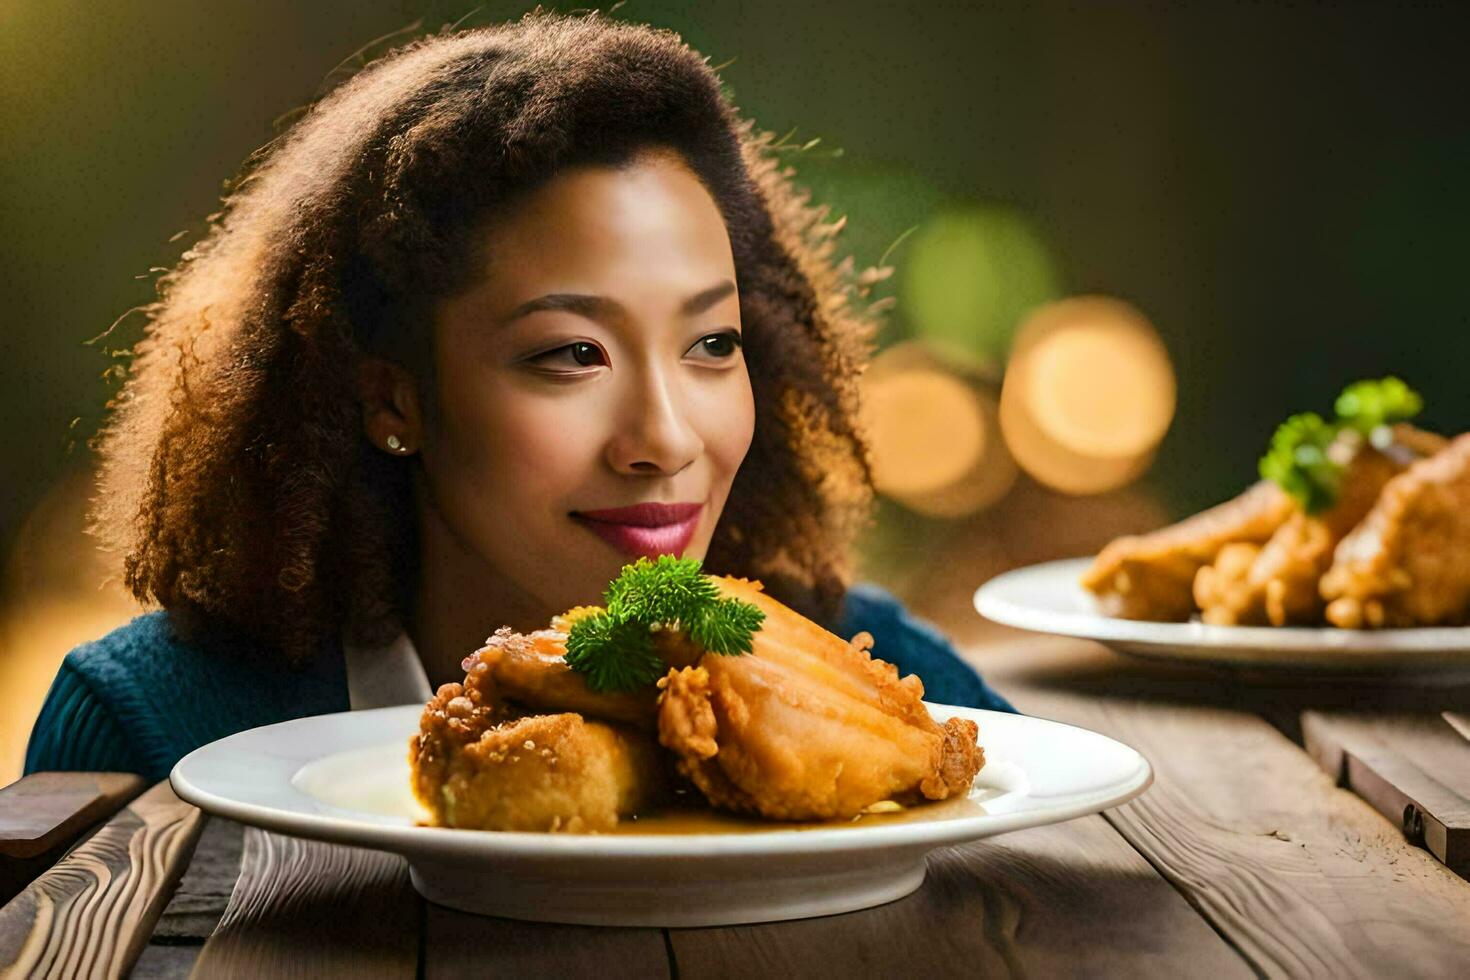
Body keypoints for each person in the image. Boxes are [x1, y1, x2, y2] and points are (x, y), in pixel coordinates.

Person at [25, 11, 1011, 783]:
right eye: (573, 354)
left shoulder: (881, 681)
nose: (665, 438)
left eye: (712, 343)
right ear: (393, 401)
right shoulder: (152, 725)